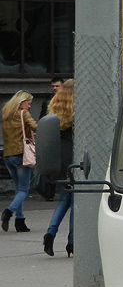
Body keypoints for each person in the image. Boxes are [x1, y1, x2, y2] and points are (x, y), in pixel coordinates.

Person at [43, 79, 74, 257]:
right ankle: (71, 242)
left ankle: (50, 233)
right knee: (76, 200)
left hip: (58, 156)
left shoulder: (53, 107)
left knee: (64, 199)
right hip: (73, 156)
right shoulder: (76, 109)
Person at [1, 90, 36, 232]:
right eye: (28, 103)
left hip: (8, 155)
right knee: (23, 189)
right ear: (22, 102)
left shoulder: (7, 114)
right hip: (22, 155)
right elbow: (35, 126)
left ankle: (20, 220)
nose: (29, 106)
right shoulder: (23, 113)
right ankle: (8, 212)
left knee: (18, 189)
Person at [36, 76, 64, 201]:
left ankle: (55, 190)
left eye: (57, 86)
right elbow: (42, 119)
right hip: (53, 135)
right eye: (53, 86)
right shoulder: (48, 101)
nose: (54, 88)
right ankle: (49, 192)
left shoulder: (67, 100)